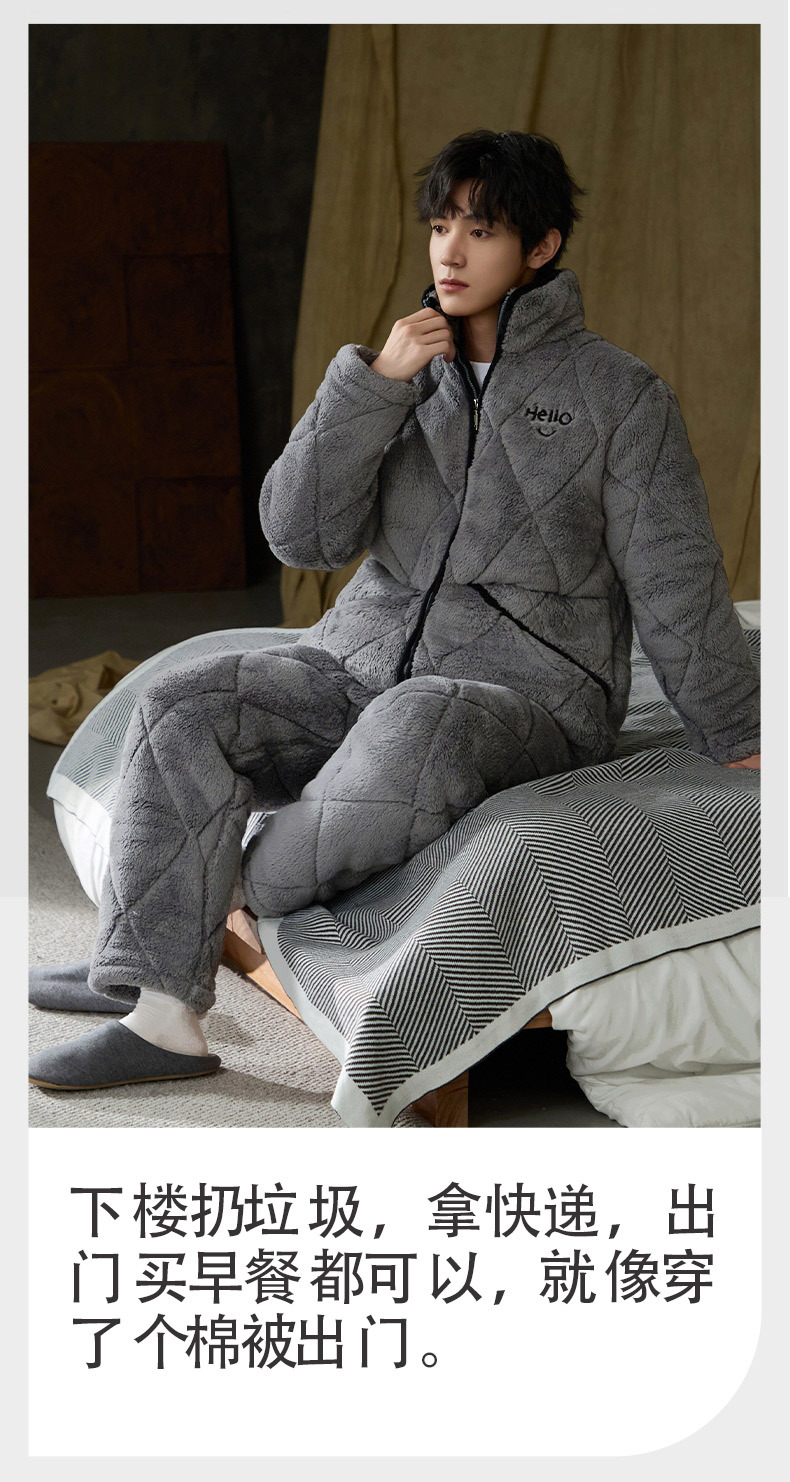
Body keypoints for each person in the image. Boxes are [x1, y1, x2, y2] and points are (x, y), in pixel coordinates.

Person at [29, 129, 760, 1092]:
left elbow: (676, 577)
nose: (451, 252)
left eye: (482, 231)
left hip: (527, 695)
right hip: (358, 661)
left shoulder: (620, 398)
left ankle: (204, 902)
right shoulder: (399, 373)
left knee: (420, 718)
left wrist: (740, 732)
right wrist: (371, 388)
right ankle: (158, 1010)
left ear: (540, 248)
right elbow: (300, 537)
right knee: (185, 702)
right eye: (441, 225)